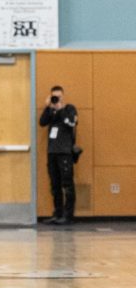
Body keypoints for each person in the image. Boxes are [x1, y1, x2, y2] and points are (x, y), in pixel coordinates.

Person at [40, 85, 78, 225]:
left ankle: (68, 216)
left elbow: (71, 123)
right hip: (52, 153)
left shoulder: (69, 109)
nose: (56, 99)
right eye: (54, 96)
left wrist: (60, 109)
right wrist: (48, 107)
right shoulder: (51, 111)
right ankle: (58, 213)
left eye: (58, 97)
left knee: (67, 184)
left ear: (63, 96)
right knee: (54, 185)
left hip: (65, 153)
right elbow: (42, 122)